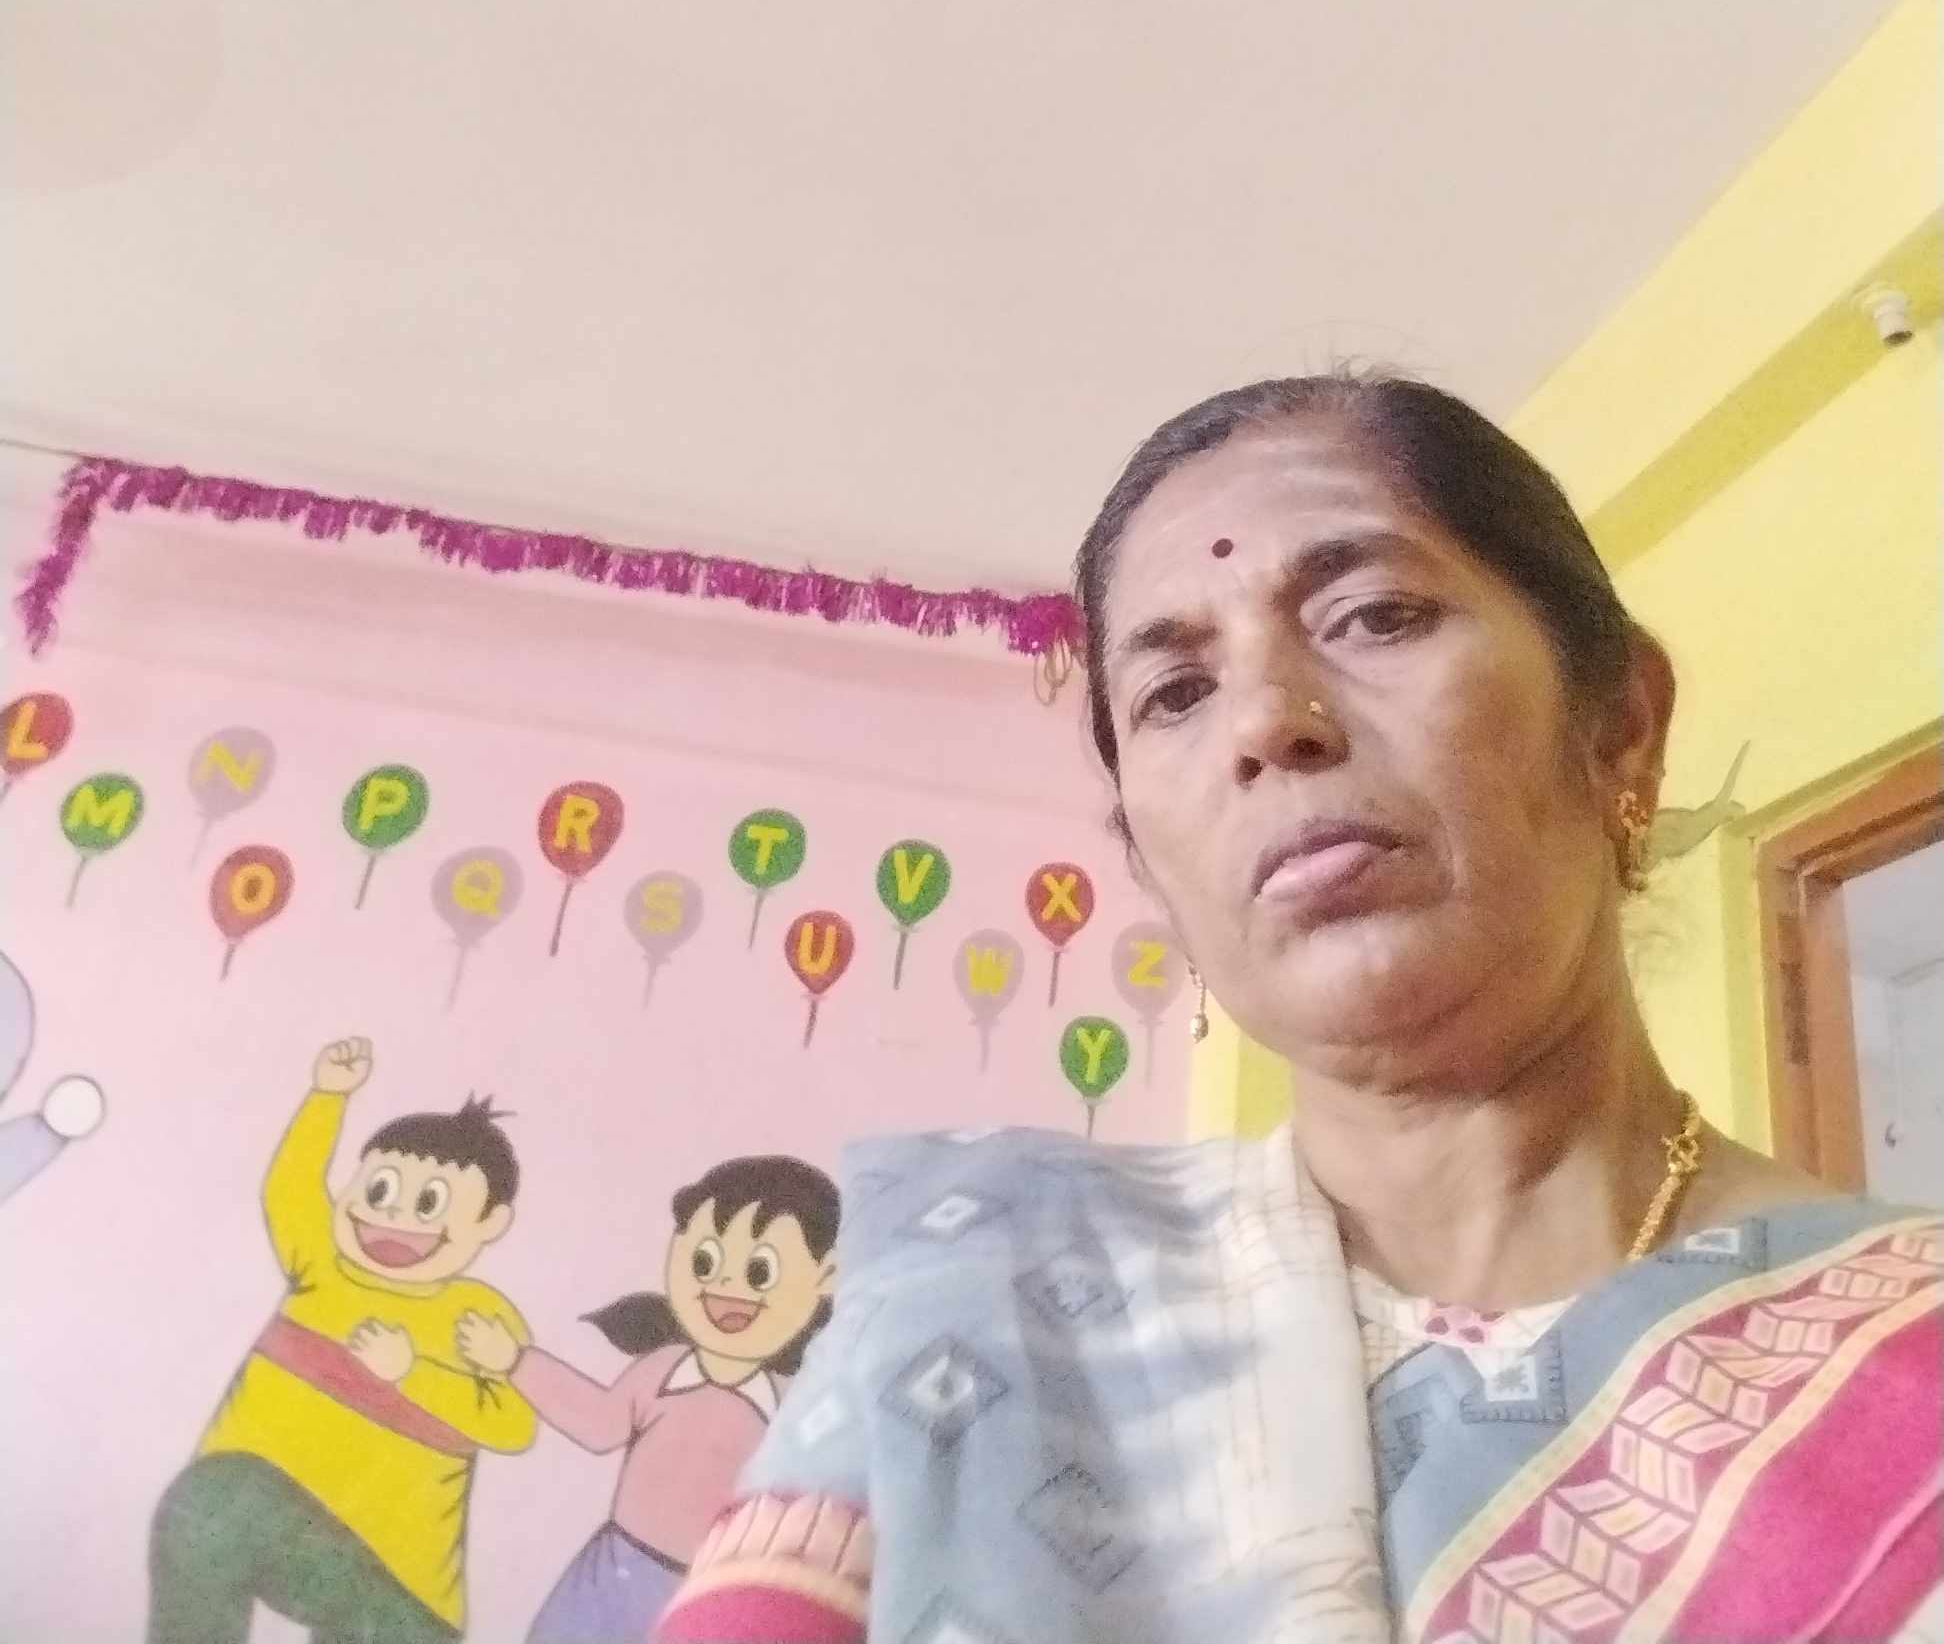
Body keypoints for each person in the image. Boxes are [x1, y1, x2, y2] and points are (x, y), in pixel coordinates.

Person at [653, 374, 1944, 1643]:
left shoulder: (1909, 1357)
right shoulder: (985, 1303)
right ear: (1151, 864)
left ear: (1621, 727)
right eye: (1174, 693)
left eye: (1373, 616)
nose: (1269, 722)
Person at [148, 1037, 536, 1644]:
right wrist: (328, 1096)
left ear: (491, 1223)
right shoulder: (324, 1264)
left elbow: (512, 1426)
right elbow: (290, 1190)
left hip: (399, 1580)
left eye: (429, 1203)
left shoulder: (477, 1314)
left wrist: (410, 1374)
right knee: (207, 1503)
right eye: (379, 1191)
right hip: (270, 1510)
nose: (394, 1219)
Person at [458, 1153, 839, 1642]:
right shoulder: (663, 1368)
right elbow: (600, 1424)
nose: (725, 1286)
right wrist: (516, 1362)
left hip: (714, 1591)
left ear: (825, 1276)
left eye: (760, 1271)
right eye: (704, 1263)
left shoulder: (795, 1405)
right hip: (616, 1570)